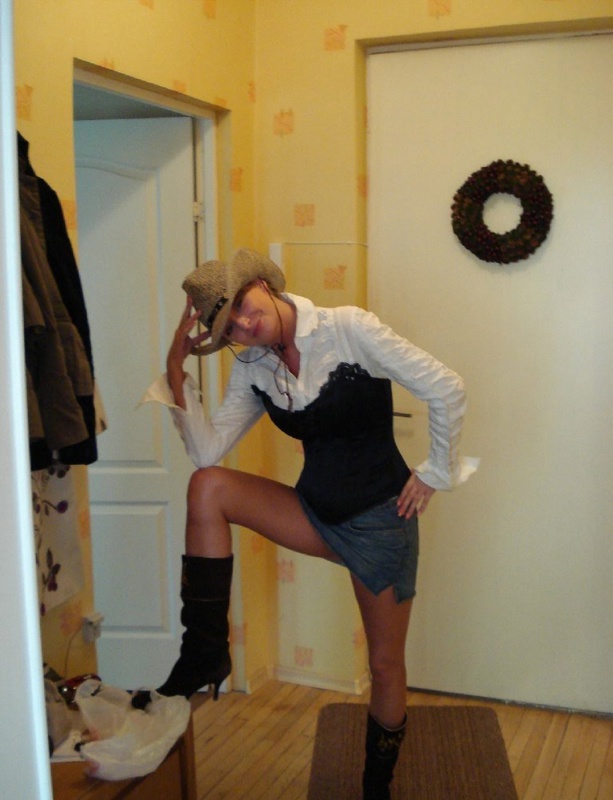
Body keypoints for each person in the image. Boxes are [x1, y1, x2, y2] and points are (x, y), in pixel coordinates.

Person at [134, 248, 477, 799]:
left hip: (381, 522)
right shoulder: (252, 366)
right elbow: (207, 451)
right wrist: (177, 370)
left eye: (242, 304)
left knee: (385, 665)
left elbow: (447, 387)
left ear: (262, 285)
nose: (245, 324)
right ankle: (204, 651)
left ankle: (377, 787)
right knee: (208, 486)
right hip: (314, 512)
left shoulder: (348, 329)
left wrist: (436, 471)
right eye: (229, 328)